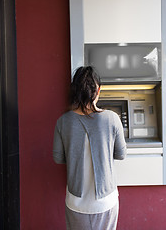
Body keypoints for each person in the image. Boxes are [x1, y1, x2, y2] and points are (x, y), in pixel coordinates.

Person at [53, 66, 127, 230]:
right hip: (106, 200)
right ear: (98, 90)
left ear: (75, 91)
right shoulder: (112, 119)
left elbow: (58, 158)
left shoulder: (63, 121)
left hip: (76, 202)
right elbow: (121, 154)